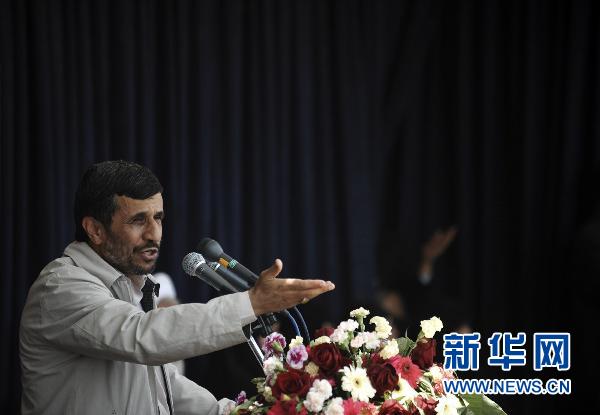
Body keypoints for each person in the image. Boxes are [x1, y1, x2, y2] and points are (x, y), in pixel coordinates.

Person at [19, 160, 335, 415]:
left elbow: (160, 384)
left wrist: (234, 412)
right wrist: (251, 303)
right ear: (95, 230)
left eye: (158, 218)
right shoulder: (61, 286)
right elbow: (142, 337)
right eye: (138, 220)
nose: (154, 234)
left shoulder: (131, 287)